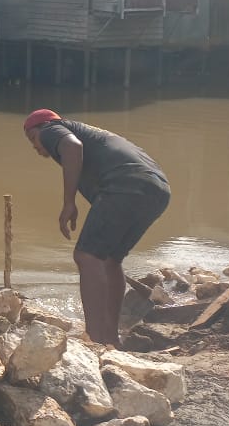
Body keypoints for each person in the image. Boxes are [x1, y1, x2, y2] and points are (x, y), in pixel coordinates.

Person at [23, 109, 171, 347]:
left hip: (126, 183)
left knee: (86, 255)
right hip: (157, 190)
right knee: (111, 260)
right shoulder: (95, 136)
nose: (35, 147)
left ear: (42, 128)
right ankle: (111, 340)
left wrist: (69, 202)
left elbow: (72, 146)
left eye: (32, 139)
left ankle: (94, 340)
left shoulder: (52, 129)